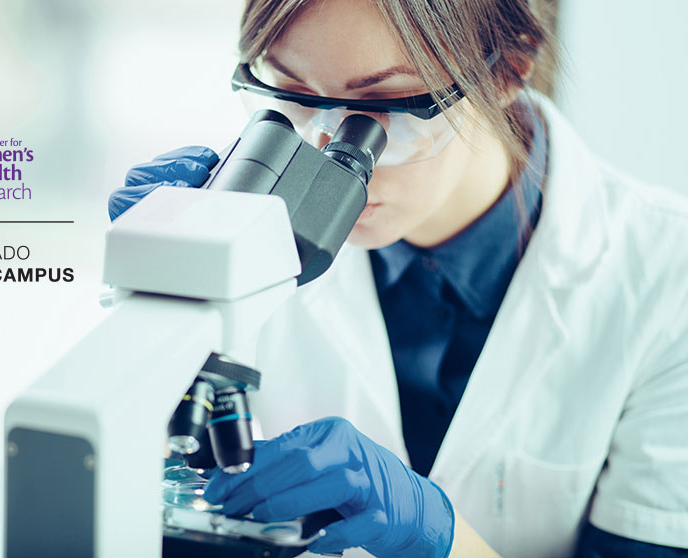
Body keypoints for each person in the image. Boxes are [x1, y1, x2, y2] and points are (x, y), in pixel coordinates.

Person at [109, 0, 688, 556]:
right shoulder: (247, 225)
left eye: (383, 105)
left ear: (508, 70)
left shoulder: (665, 276)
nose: (324, 146)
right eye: (291, 95)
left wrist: (441, 540)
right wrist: (157, 295)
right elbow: (151, 473)